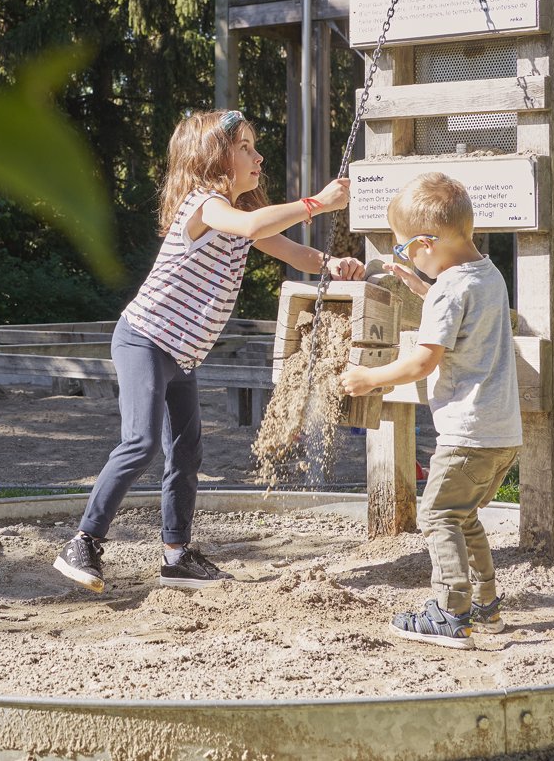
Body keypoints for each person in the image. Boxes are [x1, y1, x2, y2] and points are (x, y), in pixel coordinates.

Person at [54, 109, 367, 593]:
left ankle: (175, 554)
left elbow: (290, 252)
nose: (258, 155)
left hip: (183, 354)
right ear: (214, 157)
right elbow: (252, 225)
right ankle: (84, 542)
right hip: (144, 339)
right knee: (140, 443)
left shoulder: (241, 220)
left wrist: (333, 263)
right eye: (245, 147)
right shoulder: (206, 205)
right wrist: (317, 203)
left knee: (187, 450)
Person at [338, 172, 520, 649]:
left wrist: (368, 379)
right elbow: (466, 315)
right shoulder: (488, 275)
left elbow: (423, 361)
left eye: (402, 249)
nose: (403, 256)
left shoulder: (447, 291)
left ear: (423, 244)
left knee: (437, 515)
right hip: (501, 432)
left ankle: (449, 612)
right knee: (464, 516)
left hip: (466, 432)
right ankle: (486, 609)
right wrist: (423, 289)